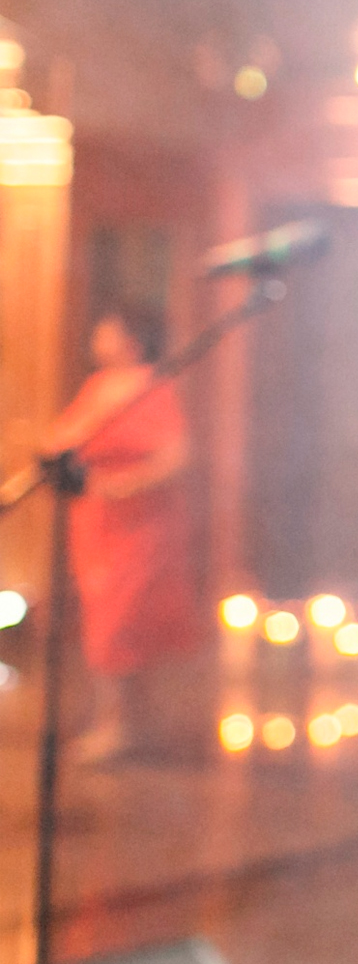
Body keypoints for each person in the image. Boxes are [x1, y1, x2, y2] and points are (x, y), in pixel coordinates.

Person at [44, 305, 207, 764]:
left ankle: (120, 725)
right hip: (96, 520)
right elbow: (64, 440)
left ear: (133, 339)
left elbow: (176, 454)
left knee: (123, 619)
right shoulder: (97, 386)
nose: (99, 337)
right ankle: (127, 722)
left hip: (140, 521)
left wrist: (124, 485)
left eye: (110, 331)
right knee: (102, 617)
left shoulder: (152, 385)